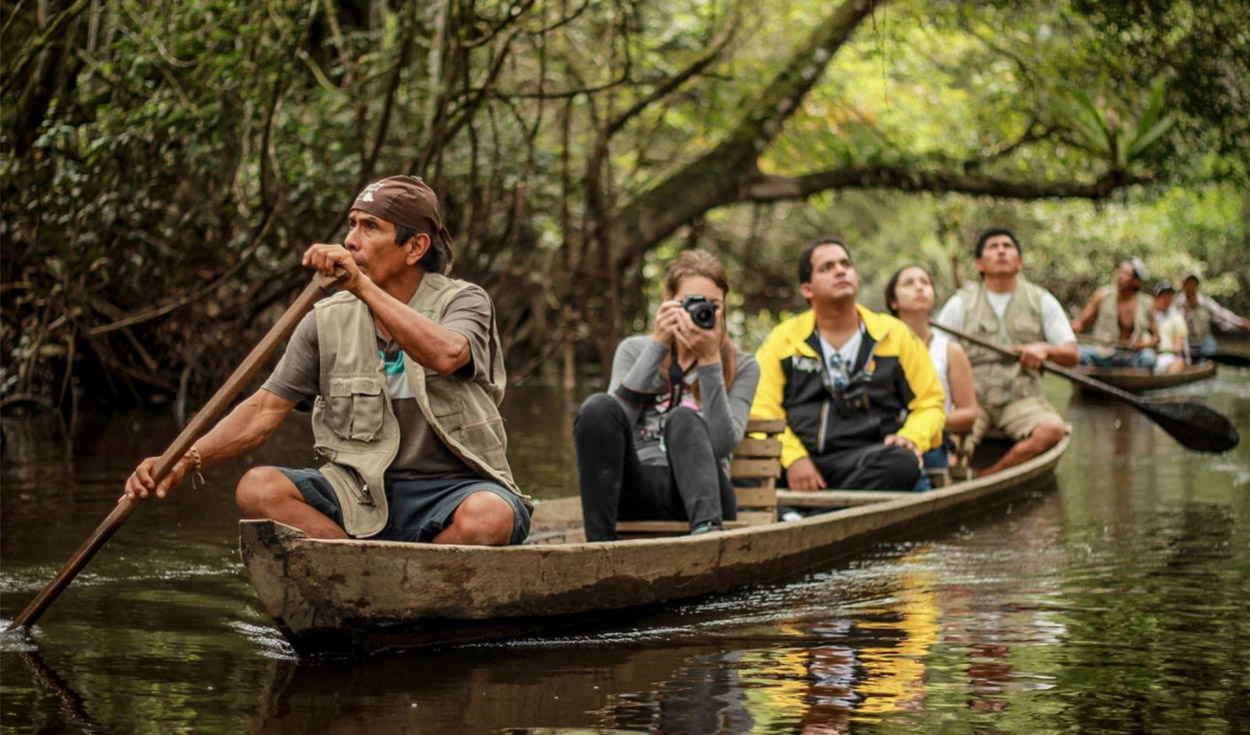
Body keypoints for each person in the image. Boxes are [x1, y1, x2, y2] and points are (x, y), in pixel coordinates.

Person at [124, 175, 531, 546]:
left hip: (453, 490)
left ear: (415, 247)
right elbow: (263, 412)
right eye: (352, 224)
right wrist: (185, 459)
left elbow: (447, 353)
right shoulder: (325, 320)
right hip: (359, 492)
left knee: (489, 517)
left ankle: (409, 573)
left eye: (370, 227)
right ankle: (358, 568)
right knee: (257, 488)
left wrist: (361, 286)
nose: (352, 240)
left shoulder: (463, 301)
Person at [574, 250, 760, 541]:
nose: (701, 313)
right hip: (637, 490)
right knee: (597, 406)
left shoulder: (743, 365)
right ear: (668, 301)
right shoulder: (634, 350)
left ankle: (707, 540)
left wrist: (710, 360)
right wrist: (658, 346)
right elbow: (610, 426)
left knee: (683, 418)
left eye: (713, 305)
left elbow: (723, 443)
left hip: (706, 496)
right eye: (691, 304)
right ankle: (599, 549)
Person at [751, 239, 945, 493]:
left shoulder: (894, 334)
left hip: (869, 459)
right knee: (736, 466)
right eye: (827, 267)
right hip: (802, 462)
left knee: (902, 463)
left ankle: (806, 515)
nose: (840, 271)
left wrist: (911, 437)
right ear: (807, 289)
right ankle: (811, 511)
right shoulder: (783, 339)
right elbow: (761, 409)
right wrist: (794, 458)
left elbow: (930, 403)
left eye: (845, 264)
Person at [934, 228, 1078, 476]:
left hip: (1023, 400)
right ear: (979, 263)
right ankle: (954, 473)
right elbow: (935, 356)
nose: (1001, 250)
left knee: (1053, 430)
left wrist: (1044, 349)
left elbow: (1072, 354)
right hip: (972, 400)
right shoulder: (960, 304)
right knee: (938, 435)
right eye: (993, 247)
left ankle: (988, 477)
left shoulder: (1041, 300)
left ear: (1019, 261)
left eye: (1007, 246)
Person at [885, 264, 978, 476]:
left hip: (930, 440)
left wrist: (926, 421)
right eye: (909, 283)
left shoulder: (950, 350)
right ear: (893, 301)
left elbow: (969, 413)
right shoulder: (879, 344)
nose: (919, 288)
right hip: (885, 435)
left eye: (925, 283)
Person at [1071, 257, 1158, 369]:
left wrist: (1145, 345)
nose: (1120, 276)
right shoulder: (1102, 296)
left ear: (1136, 282)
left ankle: (1133, 381)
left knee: (1149, 358)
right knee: (1078, 353)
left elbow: (1156, 337)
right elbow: (1081, 323)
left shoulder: (1147, 303)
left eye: (1126, 274)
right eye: (1120, 272)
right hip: (1103, 352)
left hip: (1131, 355)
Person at [1178, 271, 1250, 360]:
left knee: (1209, 350)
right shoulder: (1177, 304)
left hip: (1204, 340)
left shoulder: (1206, 303)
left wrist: (1240, 323)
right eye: (1188, 283)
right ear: (1183, 285)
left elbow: (1222, 315)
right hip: (1186, 342)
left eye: (1193, 283)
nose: (1191, 286)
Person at [1151, 280, 1188, 375]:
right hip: (1147, 355)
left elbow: (1178, 347)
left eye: (1169, 297)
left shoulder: (1177, 318)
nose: (1167, 301)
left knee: (1177, 364)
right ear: (1156, 298)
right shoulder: (1149, 315)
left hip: (1168, 356)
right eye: (1164, 297)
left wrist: (1162, 350)